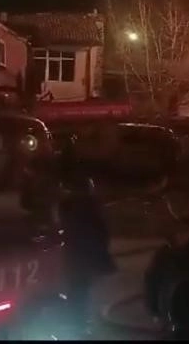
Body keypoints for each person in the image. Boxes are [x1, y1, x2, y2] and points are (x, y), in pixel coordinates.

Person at [56, 135, 116, 335]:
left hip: (77, 257)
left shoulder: (71, 204)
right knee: (80, 290)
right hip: (81, 257)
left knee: (78, 289)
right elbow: (101, 231)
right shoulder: (86, 205)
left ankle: (78, 322)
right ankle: (79, 323)